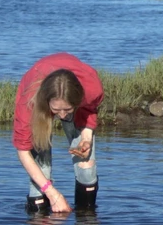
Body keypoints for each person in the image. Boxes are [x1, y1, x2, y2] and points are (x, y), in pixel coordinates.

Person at [13, 53, 103, 213]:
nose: (61, 116)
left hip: (77, 93)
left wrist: (87, 137)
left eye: (67, 110)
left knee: (87, 168)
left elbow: (90, 108)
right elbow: (23, 152)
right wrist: (53, 194)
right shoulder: (28, 103)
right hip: (37, 102)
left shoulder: (91, 88)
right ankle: (39, 220)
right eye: (56, 110)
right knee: (42, 173)